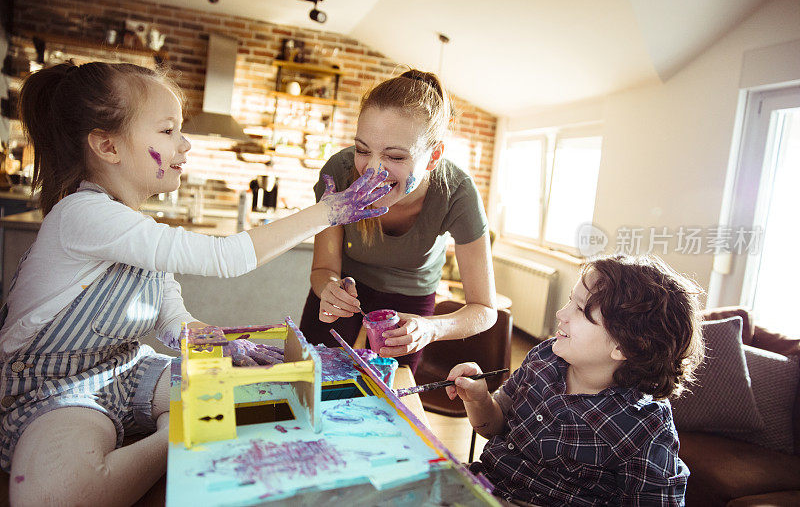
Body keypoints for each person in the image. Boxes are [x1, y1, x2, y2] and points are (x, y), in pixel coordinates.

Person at [0, 61, 390, 506]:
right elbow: (224, 258)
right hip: (57, 390)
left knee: (269, 403)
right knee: (56, 497)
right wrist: (330, 211)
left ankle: (179, 423)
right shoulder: (81, 216)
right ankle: (177, 436)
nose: (184, 145)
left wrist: (222, 345)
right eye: (167, 131)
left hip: (128, 375)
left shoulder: (137, 230)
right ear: (107, 145)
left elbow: (173, 321)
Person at [447, 254, 704, 506]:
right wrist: (479, 399)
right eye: (570, 300)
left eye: (580, 309)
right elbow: (493, 428)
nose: (561, 313)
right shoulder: (544, 357)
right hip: (479, 485)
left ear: (625, 346)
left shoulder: (646, 427)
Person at [299, 69, 497, 372]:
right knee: (309, 374)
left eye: (396, 157)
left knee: (389, 392)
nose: (373, 170)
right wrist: (328, 288)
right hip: (345, 286)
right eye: (363, 150)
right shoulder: (338, 171)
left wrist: (431, 328)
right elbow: (324, 269)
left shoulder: (458, 192)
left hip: (411, 298)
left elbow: (484, 309)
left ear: (433, 157)